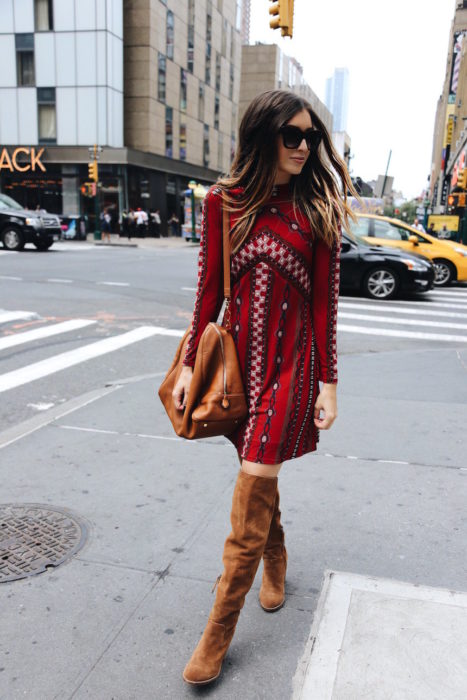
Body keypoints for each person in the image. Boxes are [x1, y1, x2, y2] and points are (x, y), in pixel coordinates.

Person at [171, 89, 359, 686]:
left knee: (254, 478)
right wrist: (183, 366)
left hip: (292, 371)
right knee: (260, 473)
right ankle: (274, 554)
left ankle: (216, 635)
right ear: (262, 137)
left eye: (312, 137)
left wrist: (330, 382)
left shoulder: (319, 208)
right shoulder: (224, 204)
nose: (305, 148)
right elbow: (208, 294)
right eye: (292, 136)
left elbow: (326, 306)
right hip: (236, 372)